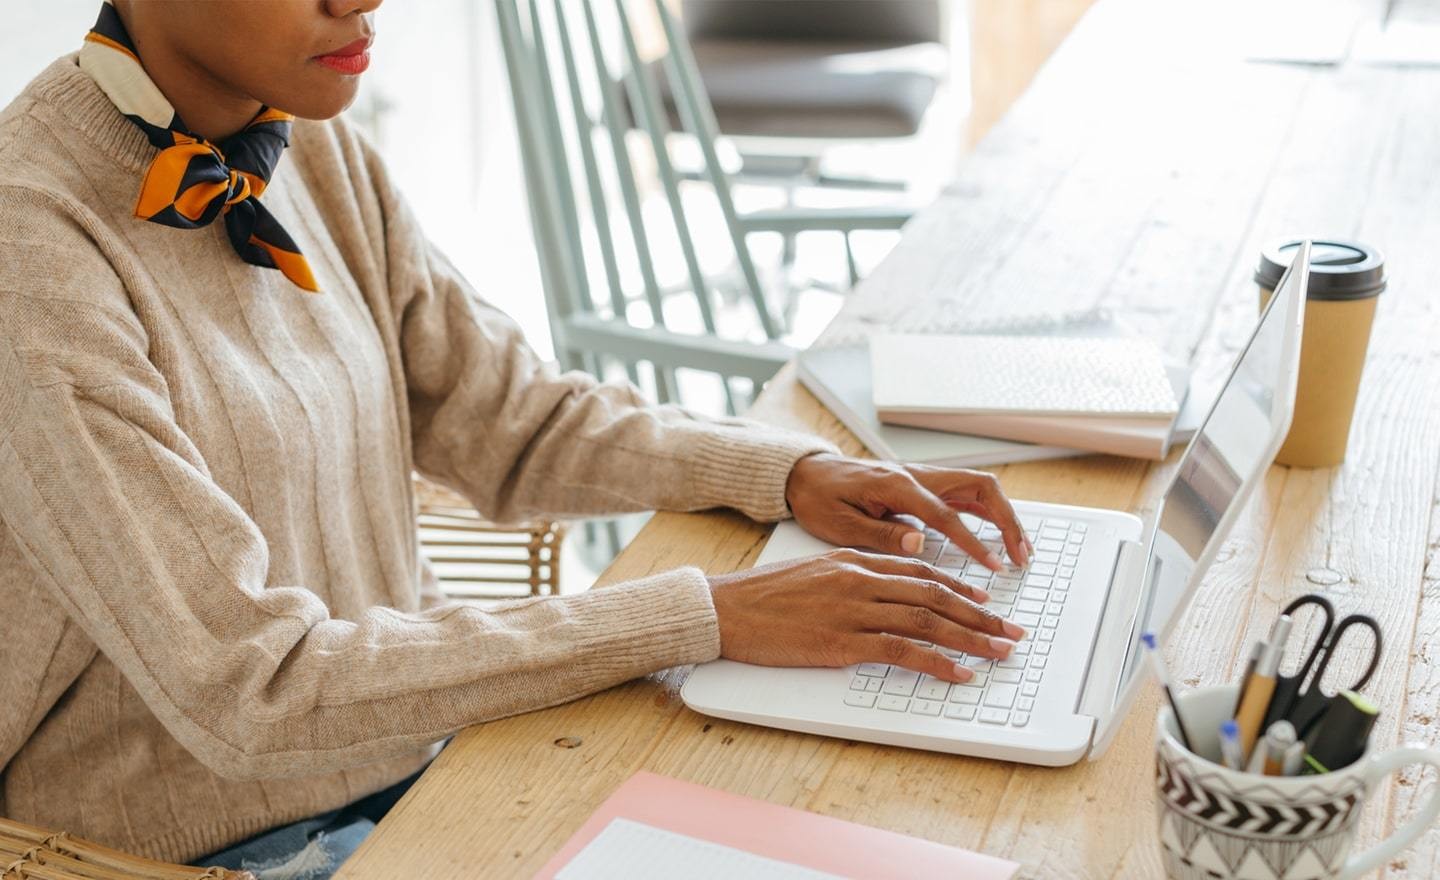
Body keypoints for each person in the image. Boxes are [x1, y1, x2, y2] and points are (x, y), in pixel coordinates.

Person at [0, 0, 1034, 875]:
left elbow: (515, 421)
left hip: (424, 759)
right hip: (221, 849)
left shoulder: (313, 146)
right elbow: (254, 688)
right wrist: (706, 615)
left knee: (874, 817)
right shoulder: (31, 247)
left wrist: (787, 471)